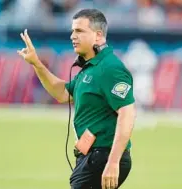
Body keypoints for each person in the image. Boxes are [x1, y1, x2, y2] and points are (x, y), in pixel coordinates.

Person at [17, 8, 136, 189]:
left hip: (103, 157)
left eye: (79, 31)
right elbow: (63, 94)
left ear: (98, 36)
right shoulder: (90, 68)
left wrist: (113, 162)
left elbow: (127, 113)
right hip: (92, 156)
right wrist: (36, 63)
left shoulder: (110, 68)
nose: (73, 36)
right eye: (73, 31)